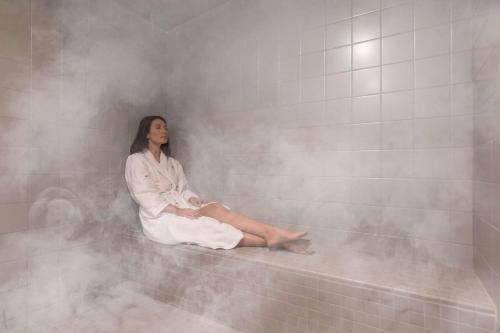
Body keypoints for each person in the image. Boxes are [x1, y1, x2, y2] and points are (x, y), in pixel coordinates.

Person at [124, 116, 312, 254]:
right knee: (210, 226)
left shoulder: (173, 163)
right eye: (157, 127)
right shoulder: (136, 160)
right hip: (160, 218)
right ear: (146, 134)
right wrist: (178, 211)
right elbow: (144, 195)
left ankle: (272, 233)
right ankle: (279, 240)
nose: (164, 131)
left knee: (217, 209)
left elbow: (183, 189)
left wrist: (193, 199)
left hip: (180, 205)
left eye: (165, 127)